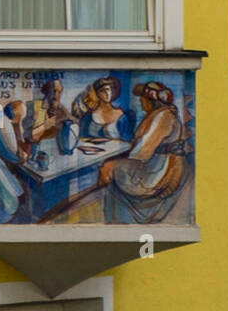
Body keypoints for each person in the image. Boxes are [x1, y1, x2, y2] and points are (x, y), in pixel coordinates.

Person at [97, 82, 188, 223]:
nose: (141, 103)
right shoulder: (165, 114)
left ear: (150, 101)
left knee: (107, 167)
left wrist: (116, 160)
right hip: (157, 164)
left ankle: (113, 217)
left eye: (142, 100)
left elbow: (143, 151)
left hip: (156, 172)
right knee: (111, 164)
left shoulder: (163, 117)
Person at [74, 76, 131, 142]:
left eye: (108, 89)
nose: (106, 93)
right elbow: (81, 139)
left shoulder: (121, 115)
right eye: (102, 91)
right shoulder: (88, 117)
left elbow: (128, 140)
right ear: (97, 94)